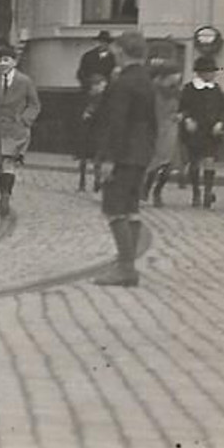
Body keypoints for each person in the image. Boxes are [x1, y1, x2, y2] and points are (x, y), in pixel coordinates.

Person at [91, 30, 156, 287]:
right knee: (131, 209)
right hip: (140, 154)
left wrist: (108, 158)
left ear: (120, 51)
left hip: (123, 154)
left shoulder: (122, 83)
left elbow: (116, 124)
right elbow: (151, 122)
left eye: (116, 51)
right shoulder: (146, 80)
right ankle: (126, 263)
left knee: (115, 209)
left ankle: (125, 267)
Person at [0, 45, 42, 217]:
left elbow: (34, 104)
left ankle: (5, 197)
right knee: (0, 164)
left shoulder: (25, 81)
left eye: (6, 60)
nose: (2, 64)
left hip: (16, 128)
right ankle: (3, 196)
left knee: (9, 162)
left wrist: (25, 120)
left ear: (14, 61)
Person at [178, 56, 224, 208]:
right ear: (200, 73)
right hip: (195, 130)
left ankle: (207, 191)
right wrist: (187, 120)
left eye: (213, 72)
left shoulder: (216, 89)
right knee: (194, 162)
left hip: (211, 131)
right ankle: (196, 192)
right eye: (209, 72)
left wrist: (220, 122)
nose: (212, 74)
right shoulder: (189, 89)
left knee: (209, 160)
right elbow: (182, 108)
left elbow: (222, 108)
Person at [143, 53, 184, 208]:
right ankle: (146, 188)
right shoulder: (152, 90)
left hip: (171, 129)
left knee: (168, 165)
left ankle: (158, 192)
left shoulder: (177, 92)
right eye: (174, 75)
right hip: (155, 128)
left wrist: (181, 115)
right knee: (154, 162)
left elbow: (185, 108)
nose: (177, 77)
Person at [73, 74, 108, 194]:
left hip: (99, 130)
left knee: (97, 158)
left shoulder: (104, 98)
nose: (103, 88)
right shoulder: (86, 97)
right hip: (87, 131)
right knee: (84, 158)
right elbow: (81, 112)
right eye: (101, 85)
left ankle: (97, 182)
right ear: (94, 86)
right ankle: (82, 183)